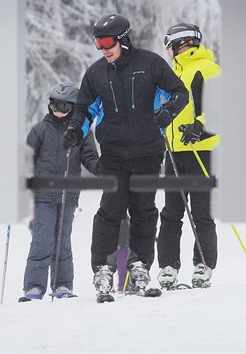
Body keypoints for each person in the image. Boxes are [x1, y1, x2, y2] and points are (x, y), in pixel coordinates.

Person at [63, 13, 189, 297]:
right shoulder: (96, 73)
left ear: (123, 39)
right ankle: (103, 270)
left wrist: (168, 112)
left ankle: (141, 265)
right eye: (98, 43)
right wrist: (75, 129)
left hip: (148, 151)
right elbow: (84, 109)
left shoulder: (151, 64)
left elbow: (180, 92)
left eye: (107, 42)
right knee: (111, 209)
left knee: (144, 209)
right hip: (114, 154)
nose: (103, 49)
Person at [21, 82, 100, 301]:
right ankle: (34, 287)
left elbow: (89, 156)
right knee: (42, 240)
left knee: (62, 240)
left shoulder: (81, 132)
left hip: (68, 196)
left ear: (74, 108)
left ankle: (62, 285)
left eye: (65, 106)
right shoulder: (40, 130)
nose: (59, 110)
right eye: (55, 104)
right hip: (43, 196)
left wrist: (98, 167)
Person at [156, 23, 221, 289]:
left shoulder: (208, 68)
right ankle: (168, 266)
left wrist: (199, 128)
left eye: (169, 46)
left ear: (180, 44)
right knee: (171, 212)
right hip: (174, 152)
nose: (168, 52)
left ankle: (203, 264)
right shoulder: (173, 73)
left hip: (201, 151)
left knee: (201, 211)